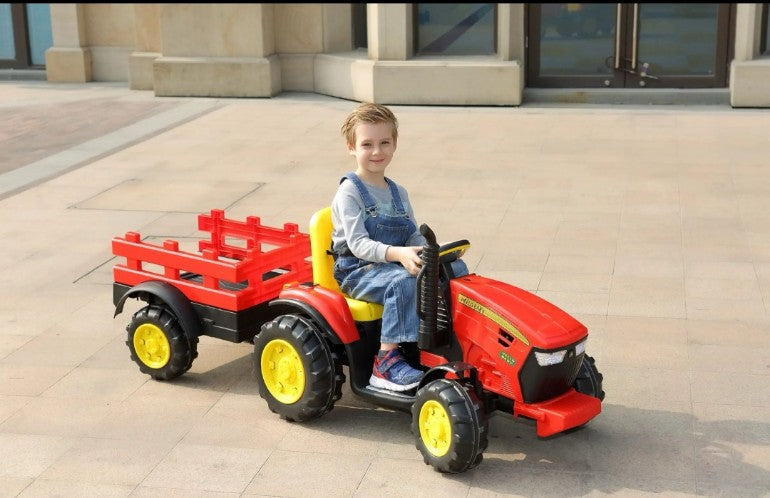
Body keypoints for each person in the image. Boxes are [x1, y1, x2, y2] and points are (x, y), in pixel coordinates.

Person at [330, 102, 467, 392]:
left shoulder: (398, 192)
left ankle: (451, 337)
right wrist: (399, 255)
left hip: (391, 262)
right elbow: (357, 244)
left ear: (394, 145)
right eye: (367, 144)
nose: (377, 151)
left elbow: (411, 235)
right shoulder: (349, 191)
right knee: (404, 282)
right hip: (357, 270)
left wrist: (427, 249)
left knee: (454, 269)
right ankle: (386, 362)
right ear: (351, 147)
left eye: (384, 143)